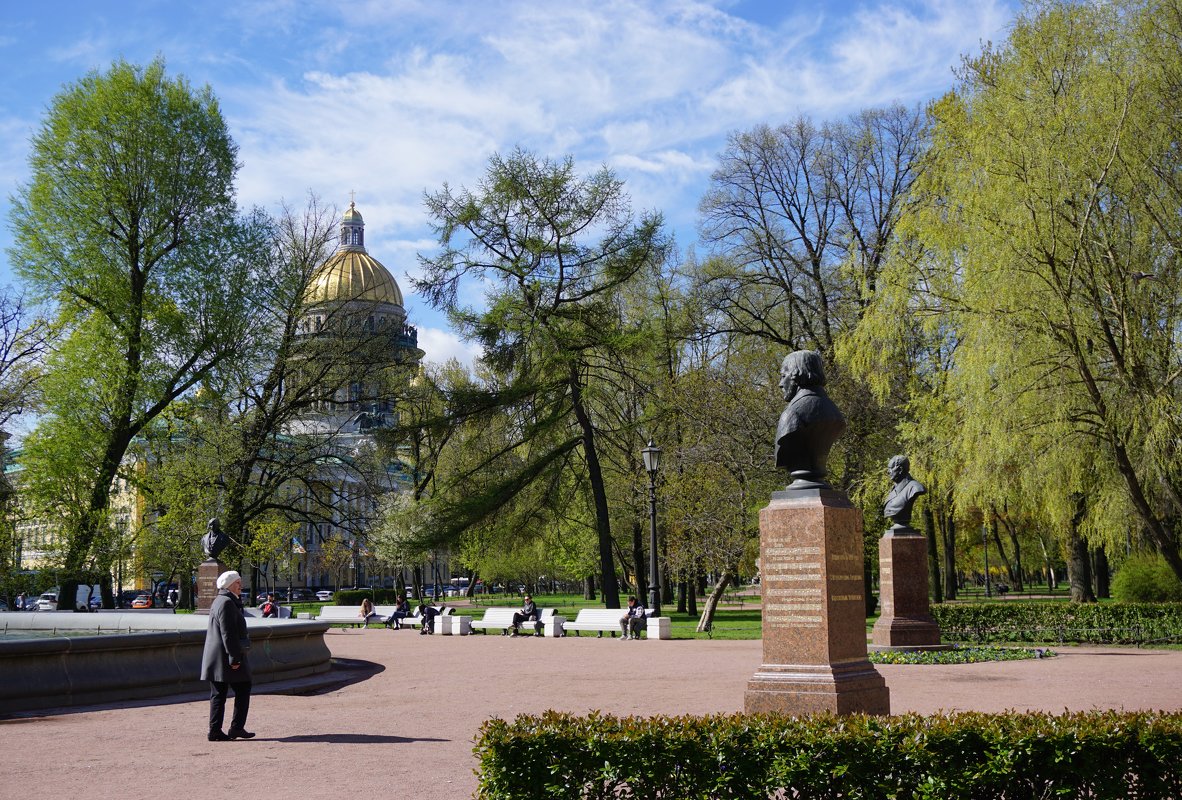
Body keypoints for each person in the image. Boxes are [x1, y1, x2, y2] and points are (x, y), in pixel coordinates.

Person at [774, 351, 846, 489]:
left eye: (784, 376)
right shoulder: (834, 412)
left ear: (797, 375)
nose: (780, 384)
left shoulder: (793, 414)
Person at [200, 570, 254, 742]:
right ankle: (232, 728)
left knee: (219, 693)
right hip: (224, 657)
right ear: (229, 585)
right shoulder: (226, 603)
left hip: (217, 657)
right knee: (241, 688)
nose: (241, 586)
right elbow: (228, 634)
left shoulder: (222, 600)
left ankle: (218, 730)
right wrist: (235, 658)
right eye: (238, 583)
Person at [883, 454, 927, 528]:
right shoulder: (893, 489)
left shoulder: (915, 487)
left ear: (900, 469)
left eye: (890, 468)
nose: (888, 472)